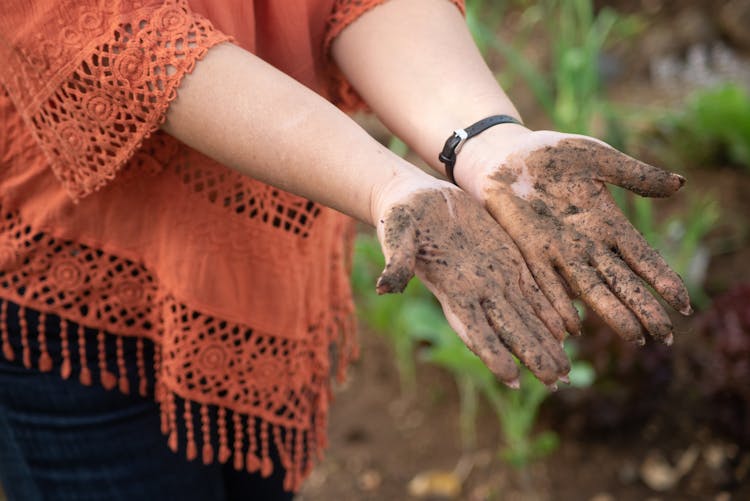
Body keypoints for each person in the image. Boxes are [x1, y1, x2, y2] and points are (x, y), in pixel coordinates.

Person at [0, 0, 690, 499]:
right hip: (75, 285)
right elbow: (128, 39)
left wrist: (484, 141)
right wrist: (386, 182)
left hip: (263, 270)